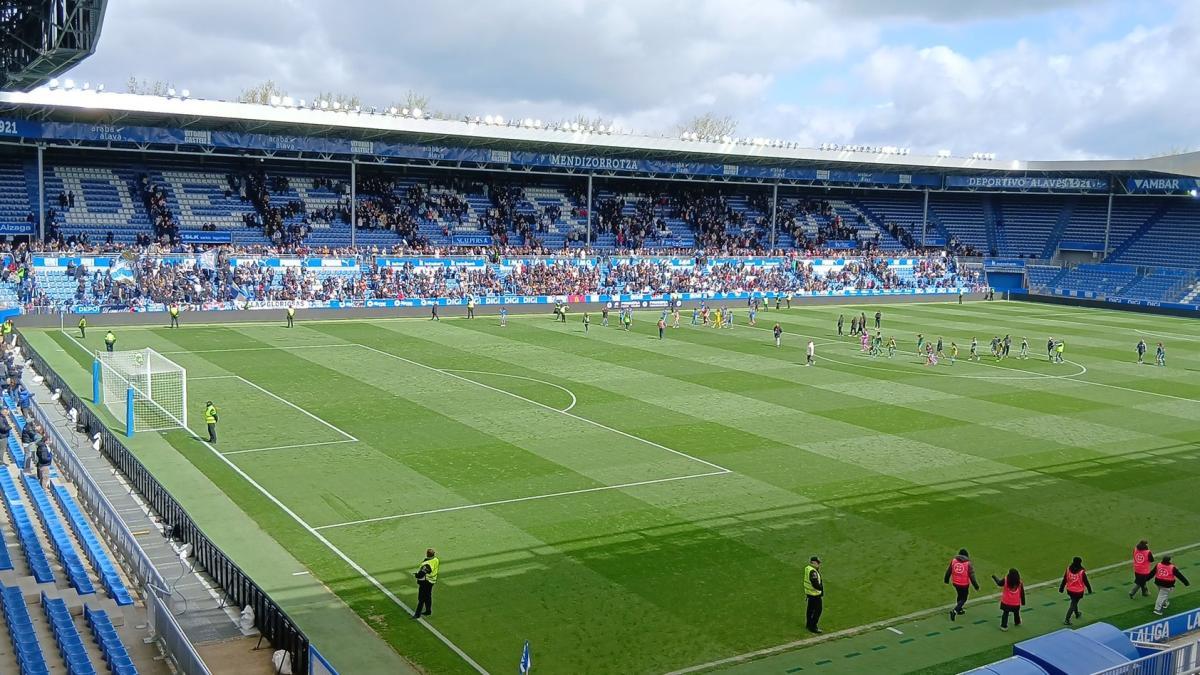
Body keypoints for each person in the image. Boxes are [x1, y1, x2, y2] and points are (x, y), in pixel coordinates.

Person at [945, 548, 979, 620]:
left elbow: (949, 571)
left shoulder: (954, 561)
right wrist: (976, 586)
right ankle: (955, 610)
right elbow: (972, 576)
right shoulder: (968, 563)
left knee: (959, 595)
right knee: (964, 598)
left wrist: (946, 579)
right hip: (964, 584)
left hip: (955, 582)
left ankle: (959, 609)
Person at [1058, 556, 1092, 625]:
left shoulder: (1068, 569)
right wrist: (1089, 589)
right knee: (1073, 604)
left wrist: (1061, 588)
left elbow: (1065, 579)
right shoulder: (1081, 572)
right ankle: (1067, 619)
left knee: (1074, 602)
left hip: (1070, 590)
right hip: (1078, 591)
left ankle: (1077, 614)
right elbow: (1086, 581)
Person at [413, 548, 439, 618]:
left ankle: (417, 614)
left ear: (427, 554)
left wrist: (416, 575)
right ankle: (428, 611)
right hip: (432, 581)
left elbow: (422, 574)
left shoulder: (427, 564)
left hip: (425, 582)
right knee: (428, 597)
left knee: (421, 599)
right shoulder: (436, 560)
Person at [804, 556, 823, 633]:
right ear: (814, 562)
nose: (819, 564)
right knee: (818, 610)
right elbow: (815, 583)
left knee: (810, 610)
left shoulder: (808, 568)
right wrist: (820, 588)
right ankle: (813, 627)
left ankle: (808, 625)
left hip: (809, 593)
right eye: (818, 563)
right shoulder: (813, 572)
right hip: (815, 594)